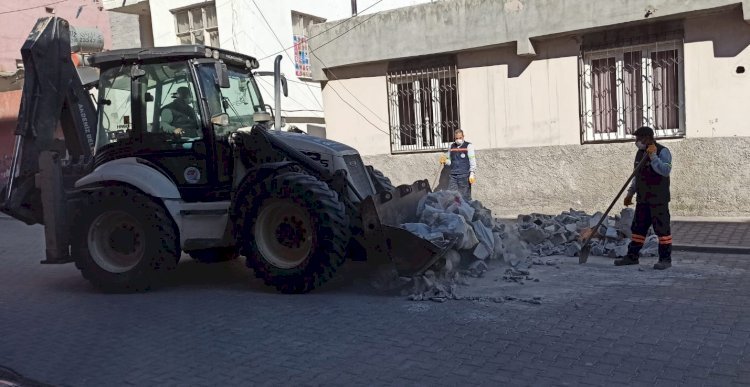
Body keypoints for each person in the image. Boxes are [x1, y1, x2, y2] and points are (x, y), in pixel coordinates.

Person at [614, 126, 673, 270]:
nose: (637, 141)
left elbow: (665, 171)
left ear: (648, 138)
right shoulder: (639, 153)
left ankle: (665, 260)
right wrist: (630, 193)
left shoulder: (663, 151)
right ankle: (632, 257)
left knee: (662, 230)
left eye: (639, 138)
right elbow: (637, 176)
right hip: (643, 199)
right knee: (638, 230)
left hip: (658, 200)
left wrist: (653, 157)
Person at [439, 129, 477, 201]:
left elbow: (472, 161)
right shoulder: (452, 146)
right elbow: (450, 161)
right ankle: (455, 211)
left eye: (460, 138)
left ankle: (467, 211)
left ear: (463, 137)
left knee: (465, 197)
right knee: (452, 197)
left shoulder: (468, 146)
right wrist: (445, 160)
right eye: (456, 138)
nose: (458, 140)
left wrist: (472, 173)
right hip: (453, 176)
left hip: (464, 176)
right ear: (454, 138)